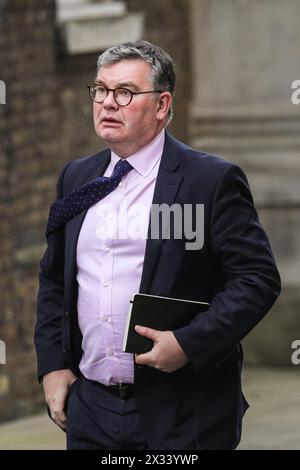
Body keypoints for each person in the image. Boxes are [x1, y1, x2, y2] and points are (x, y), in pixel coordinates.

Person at [34, 40, 281, 450]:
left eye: (125, 92)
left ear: (163, 105)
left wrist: (189, 343)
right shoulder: (77, 179)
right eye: (100, 90)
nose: (108, 103)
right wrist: (53, 366)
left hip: (183, 410)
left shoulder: (210, 181)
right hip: (92, 409)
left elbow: (257, 280)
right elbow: (54, 278)